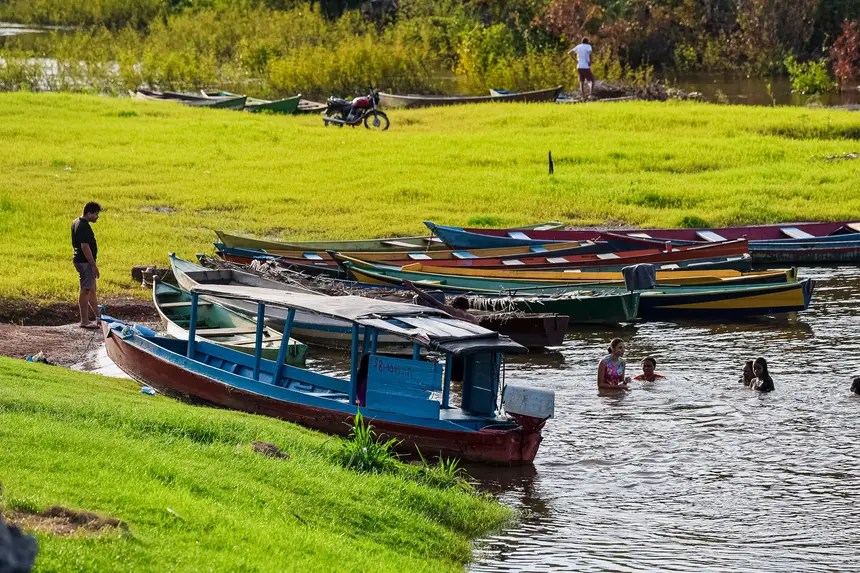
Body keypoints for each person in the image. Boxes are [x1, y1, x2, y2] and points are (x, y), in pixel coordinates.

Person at [72, 202, 102, 329]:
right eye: (96, 214)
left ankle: (99, 317)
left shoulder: (75, 222)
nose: (97, 217)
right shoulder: (83, 226)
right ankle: (84, 321)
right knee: (86, 290)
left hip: (81, 260)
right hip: (84, 262)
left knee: (91, 289)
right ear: (89, 213)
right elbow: (85, 247)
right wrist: (93, 265)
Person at [403, 280, 479, 324]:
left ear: (455, 306)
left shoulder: (452, 311)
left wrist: (413, 288)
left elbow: (433, 301)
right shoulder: (474, 319)